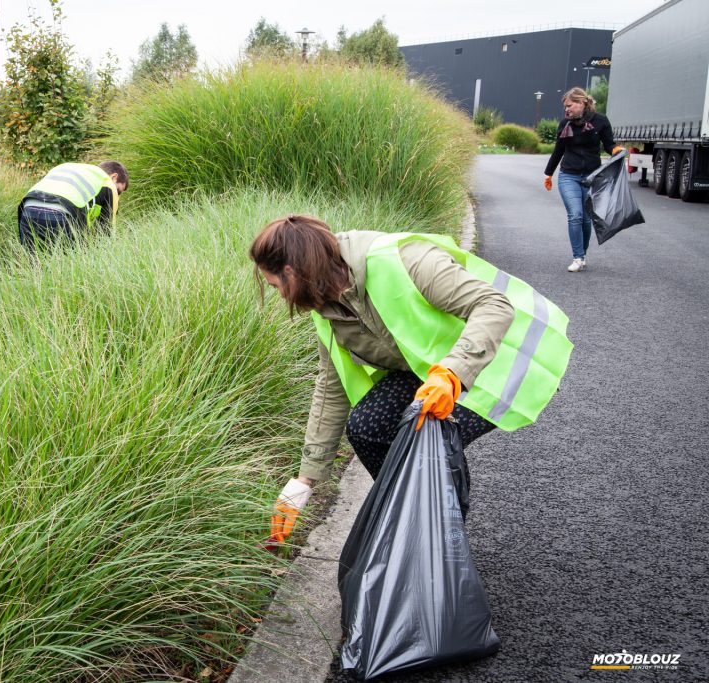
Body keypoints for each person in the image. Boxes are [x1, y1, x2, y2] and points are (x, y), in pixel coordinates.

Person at [250, 215, 572, 547]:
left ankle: (443, 546)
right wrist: (306, 479)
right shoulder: (327, 303)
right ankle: (409, 517)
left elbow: (493, 305)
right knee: (366, 428)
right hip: (430, 372)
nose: (279, 296)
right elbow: (331, 389)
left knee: (429, 438)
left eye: (275, 286)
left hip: (497, 359)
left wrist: (453, 373)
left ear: (291, 271)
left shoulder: (404, 260)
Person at [543, 87, 624, 273]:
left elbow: (608, 144)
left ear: (582, 103)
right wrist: (548, 174)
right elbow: (558, 150)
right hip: (568, 175)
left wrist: (615, 150)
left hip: (591, 177)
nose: (566, 110)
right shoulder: (565, 124)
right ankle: (577, 257)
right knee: (576, 215)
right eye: (565, 106)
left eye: (569, 106)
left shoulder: (600, 121)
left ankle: (583, 254)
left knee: (586, 220)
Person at [17, 161, 128, 251]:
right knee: (71, 263)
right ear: (114, 177)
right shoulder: (107, 182)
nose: (117, 196)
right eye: (119, 191)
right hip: (62, 212)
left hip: (28, 209)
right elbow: (106, 235)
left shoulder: (68, 168)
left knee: (33, 262)